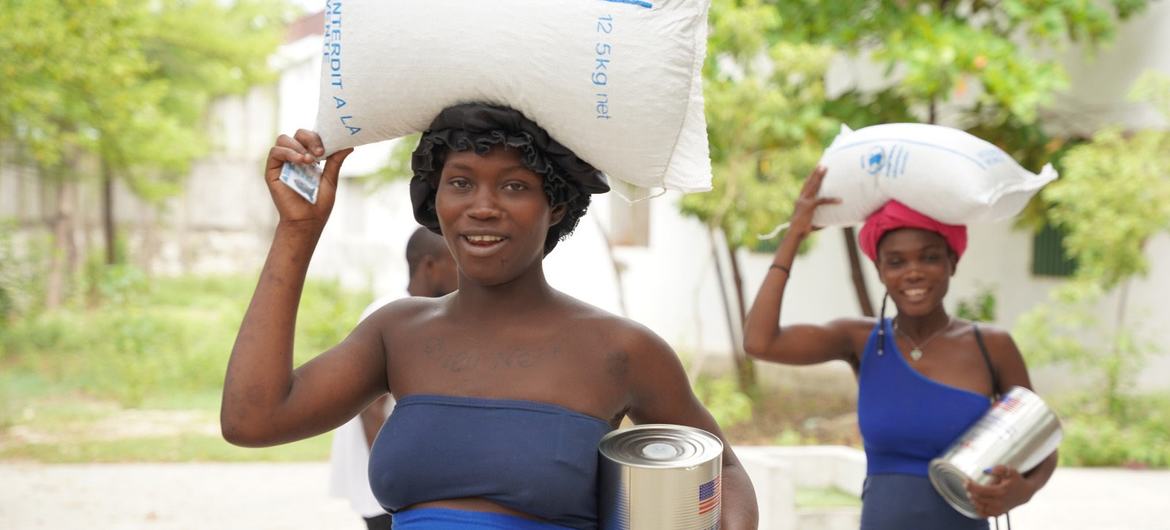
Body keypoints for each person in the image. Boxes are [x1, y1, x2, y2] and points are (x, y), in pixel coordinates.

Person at [221, 103, 758, 530]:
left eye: (514, 186)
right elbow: (253, 420)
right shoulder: (396, 332)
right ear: (437, 200)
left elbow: (724, 472)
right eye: (460, 182)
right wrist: (298, 229)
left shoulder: (621, 350)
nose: (483, 206)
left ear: (558, 206)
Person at [742, 166, 1057, 530]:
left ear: (952, 262)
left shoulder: (991, 347)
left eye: (929, 257)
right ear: (879, 270)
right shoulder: (860, 341)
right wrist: (794, 236)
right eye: (896, 261)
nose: (913, 272)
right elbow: (759, 342)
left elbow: (1043, 442)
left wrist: (1024, 490)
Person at [329, 227, 458, 530]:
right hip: (388, 489)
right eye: (458, 262)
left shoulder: (429, 314)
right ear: (429, 265)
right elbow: (370, 410)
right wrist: (397, 481)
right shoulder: (393, 313)